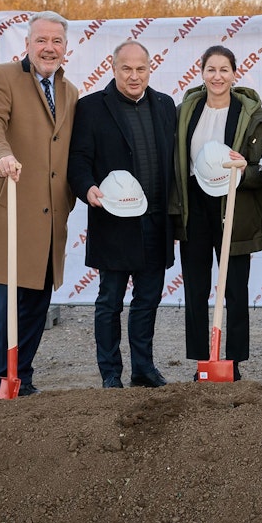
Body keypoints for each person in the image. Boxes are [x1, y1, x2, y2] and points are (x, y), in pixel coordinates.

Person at [0, 10, 79, 398]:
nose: (49, 48)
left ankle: (24, 379)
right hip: (12, 211)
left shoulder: (70, 92)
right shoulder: (1, 77)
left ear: (66, 48)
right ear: (27, 44)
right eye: (41, 40)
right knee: (7, 311)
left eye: (56, 42)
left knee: (36, 307)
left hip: (50, 218)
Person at [67, 41, 177, 389]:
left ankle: (143, 369)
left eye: (140, 68)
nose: (134, 76)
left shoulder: (165, 105)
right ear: (113, 68)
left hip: (156, 221)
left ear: (149, 68)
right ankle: (111, 374)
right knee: (110, 301)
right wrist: (87, 188)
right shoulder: (90, 108)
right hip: (113, 221)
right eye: (126, 69)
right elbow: (78, 159)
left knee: (147, 300)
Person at [171, 45, 262, 381]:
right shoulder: (185, 111)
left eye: (224, 70)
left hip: (235, 206)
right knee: (197, 286)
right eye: (211, 69)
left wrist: (244, 171)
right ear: (201, 72)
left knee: (234, 287)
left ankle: (233, 363)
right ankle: (203, 361)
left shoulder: (253, 116)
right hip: (195, 207)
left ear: (235, 73)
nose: (217, 76)